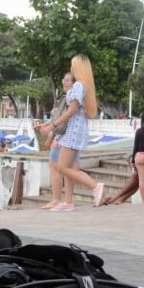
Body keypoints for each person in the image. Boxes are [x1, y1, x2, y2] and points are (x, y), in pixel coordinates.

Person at [39, 54, 105, 211]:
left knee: (62, 167)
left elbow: (72, 110)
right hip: (75, 130)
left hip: (73, 131)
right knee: (68, 166)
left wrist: (52, 125)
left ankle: (95, 186)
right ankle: (68, 202)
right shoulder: (83, 86)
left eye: (72, 65)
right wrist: (50, 124)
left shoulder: (78, 86)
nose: (70, 68)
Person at [36, 72, 80, 210]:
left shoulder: (71, 98)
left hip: (65, 138)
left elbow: (63, 119)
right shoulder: (70, 98)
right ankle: (66, 201)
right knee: (68, 169)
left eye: (67, 80)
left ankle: (58, 200)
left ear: (74, 83)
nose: (64, 82)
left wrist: (52, 132)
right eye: (63, 80)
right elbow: (60, 118)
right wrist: (46, 125)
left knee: (57, 167)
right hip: (71, 137)